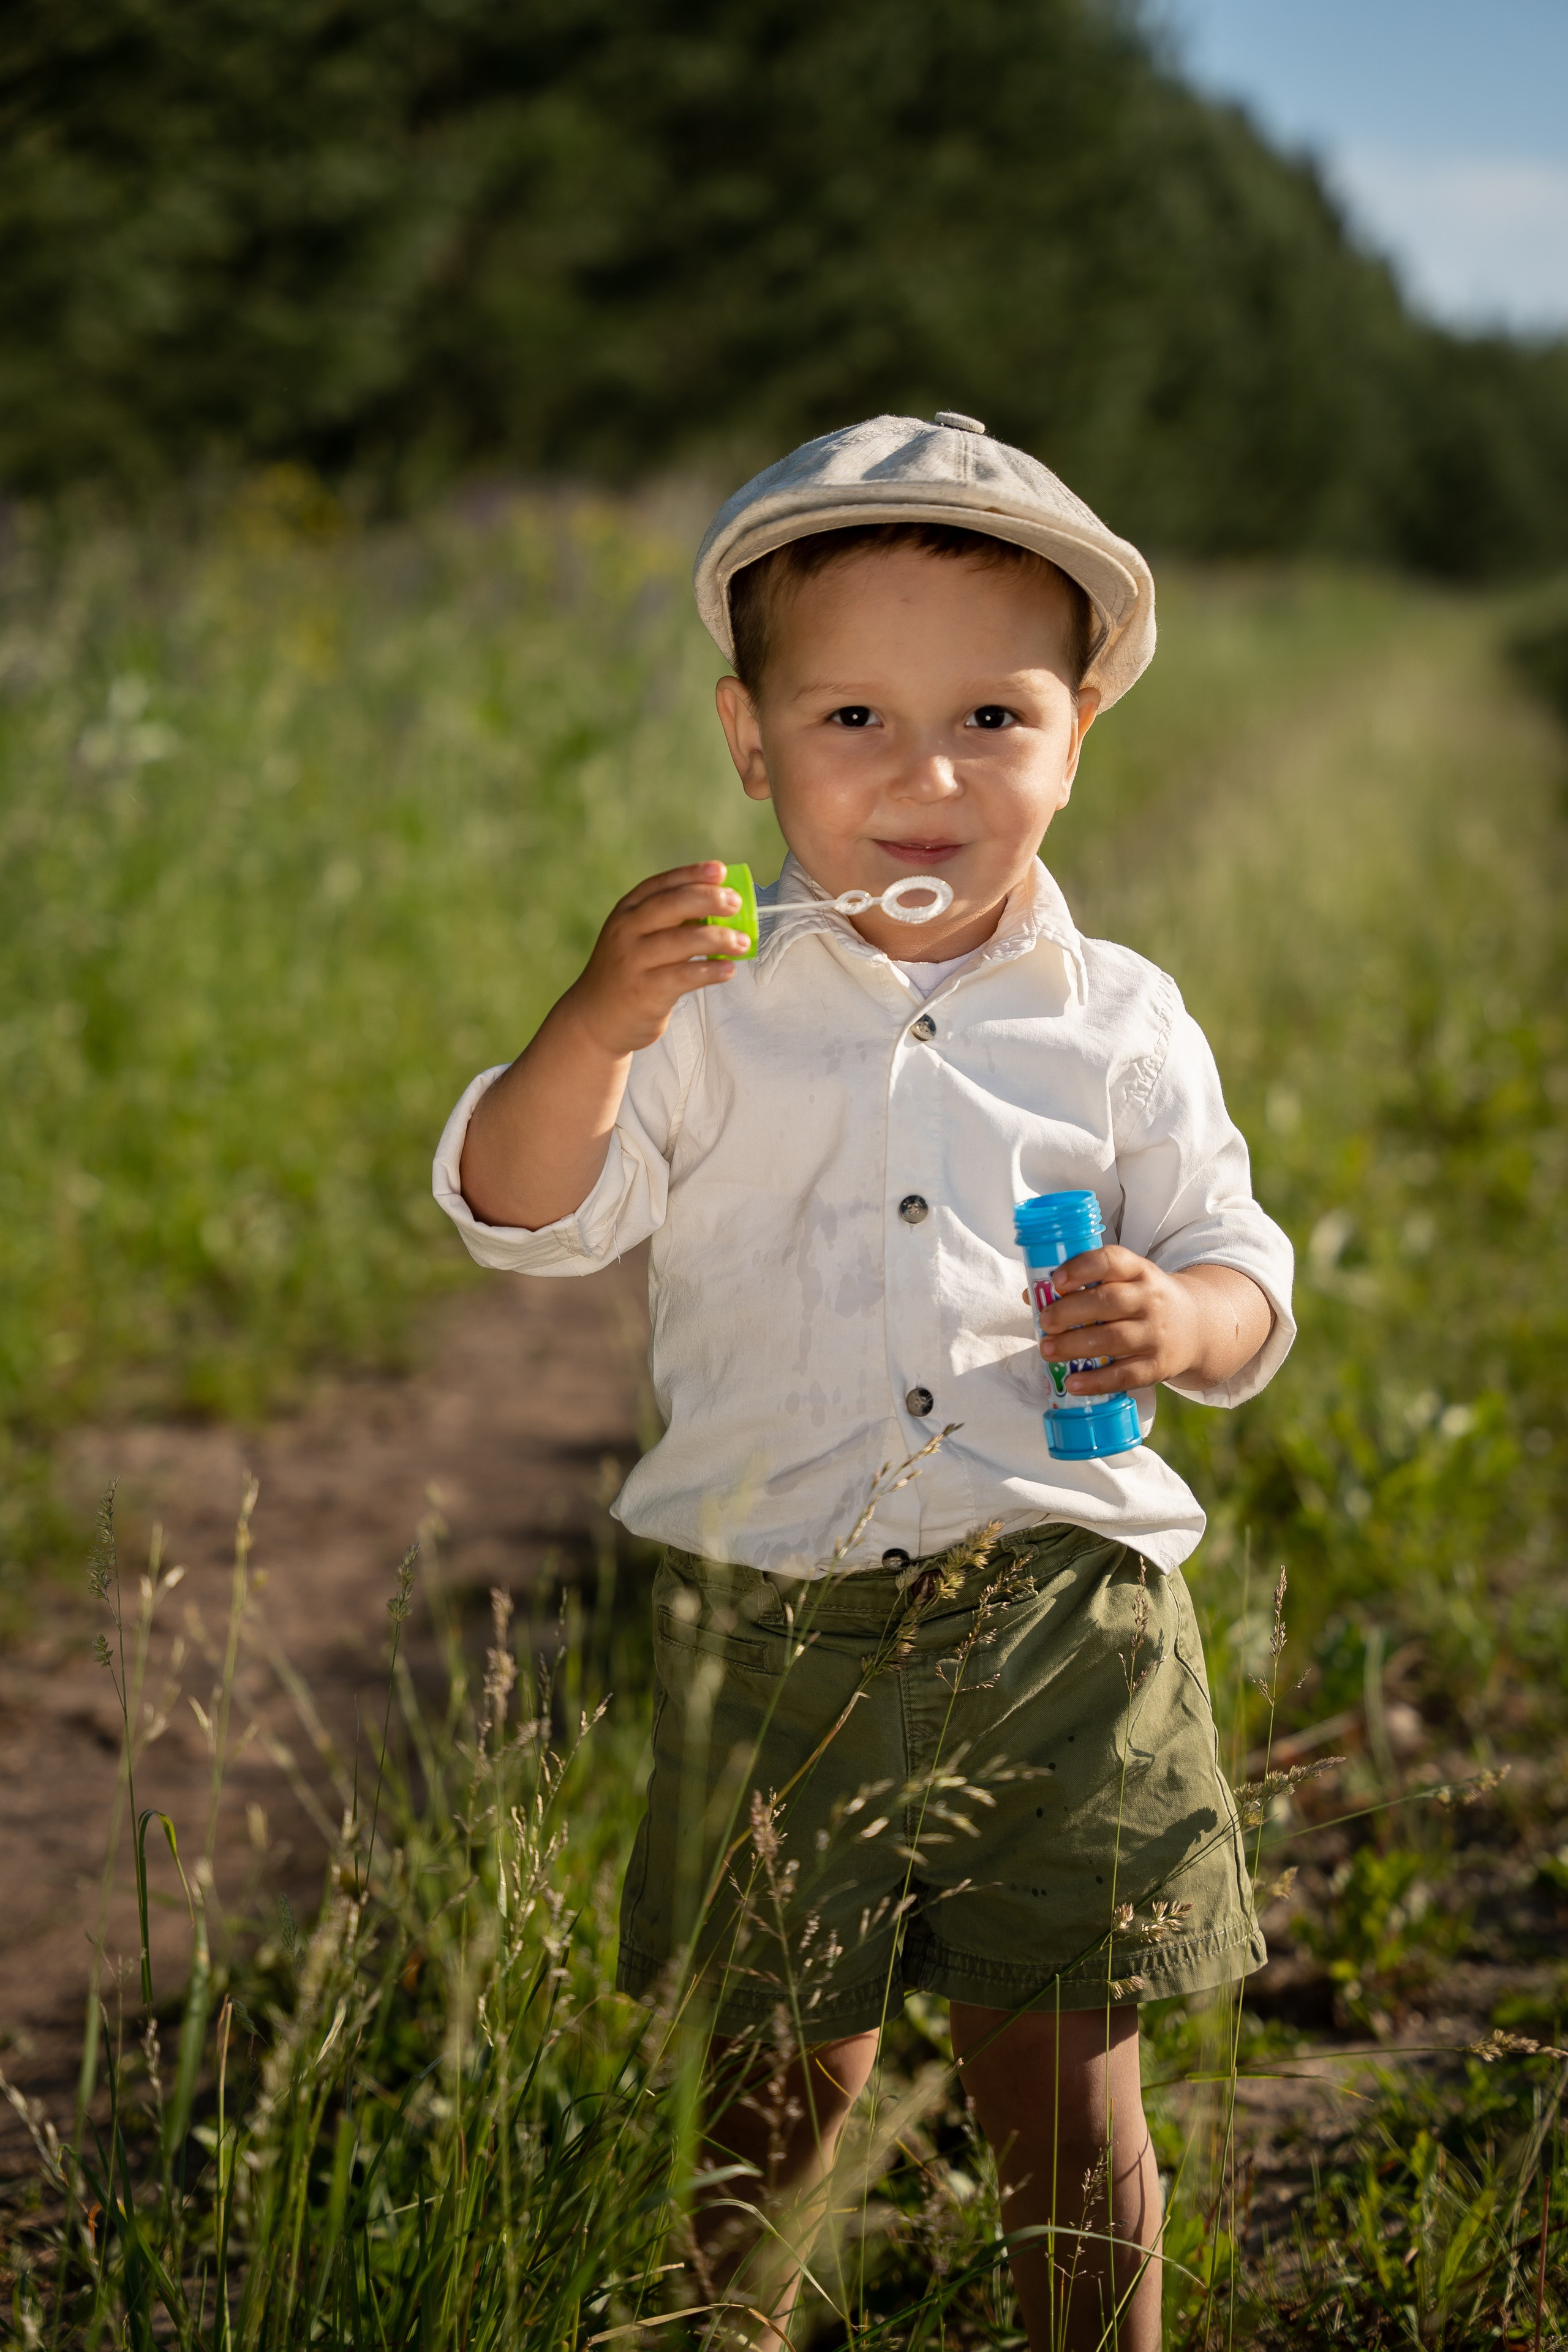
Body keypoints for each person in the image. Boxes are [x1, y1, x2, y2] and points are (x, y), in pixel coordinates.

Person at [434, 413, 1295, 2351]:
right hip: (779, 1626)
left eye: (993, 718)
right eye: (853, 724)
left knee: (1065, 2089)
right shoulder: (707, 1010)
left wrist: (1187, 1324)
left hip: (1070, 1615)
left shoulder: (1121, 1021)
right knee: (769, 2092)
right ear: (752, 743)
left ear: (1079, 734)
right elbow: (523, 1214)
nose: (927, 776)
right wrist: (590, 1022)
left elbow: (1247, 1266)